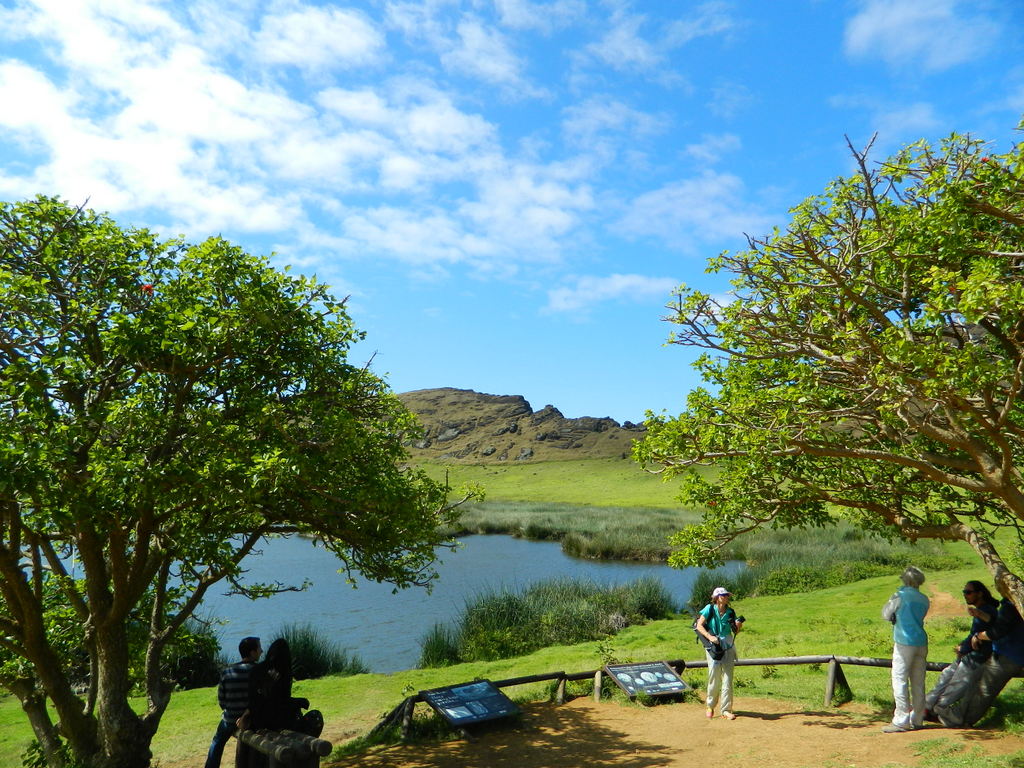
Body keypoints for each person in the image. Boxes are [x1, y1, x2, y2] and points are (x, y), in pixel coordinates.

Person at [926, 580, 998, 725]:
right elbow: (974, 634)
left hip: (977, 658)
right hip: (969, 656)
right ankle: (927, 707)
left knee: (954, 686)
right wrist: (963, 647)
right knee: (946, 676)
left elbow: (992, 622)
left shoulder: (987, 610)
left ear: (980, 593)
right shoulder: (985, 609)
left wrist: (963, 649)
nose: (965, 595)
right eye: (964, 592)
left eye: (968, 592)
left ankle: (941, 712)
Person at [953, 593, 1024, 727]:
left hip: (1010, 656)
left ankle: (966, 721)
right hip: (1001, 653)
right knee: (975, 680)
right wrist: (980, 615)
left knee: (985, 690)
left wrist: (979, 636)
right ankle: (959, 716)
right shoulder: (1009, 604)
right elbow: (997, 623)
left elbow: (997, 631)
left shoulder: (1011, 606)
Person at [881, 566, 930, 733]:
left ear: (905, 580)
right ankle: (917, 718)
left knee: (899, 678)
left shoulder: (899, 596)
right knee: (918, 680)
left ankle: (901, 719)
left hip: (904, 641)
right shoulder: (924, 599)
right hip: (921, 641)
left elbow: (886, 614)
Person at [205, 636, 261, 768]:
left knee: (217, 742)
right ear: (252, 652)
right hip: (252, 721)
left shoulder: (227, 672)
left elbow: (222, 701)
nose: (262, 651)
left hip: (229, 719)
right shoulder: (259, 671)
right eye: (259, 649)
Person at [237, 638, 310, 732]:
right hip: (275, 722)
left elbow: (255, 700)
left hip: (257, 721)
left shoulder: (257, 669)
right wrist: (302, 702)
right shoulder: (284, 672)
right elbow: (281, 701)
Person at [695, 586, 745, 720]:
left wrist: (738, 625)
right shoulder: (709, 609)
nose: (726, 597)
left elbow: (735, 631)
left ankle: (726, 710)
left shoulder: (730, 612)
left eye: (727, 595)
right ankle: (710, 705)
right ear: (717, 598)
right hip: (713, 646)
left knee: (728, 678)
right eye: (723, 595)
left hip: (728, 645)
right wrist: (710, 637)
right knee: (714, 676)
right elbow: (699, 625)